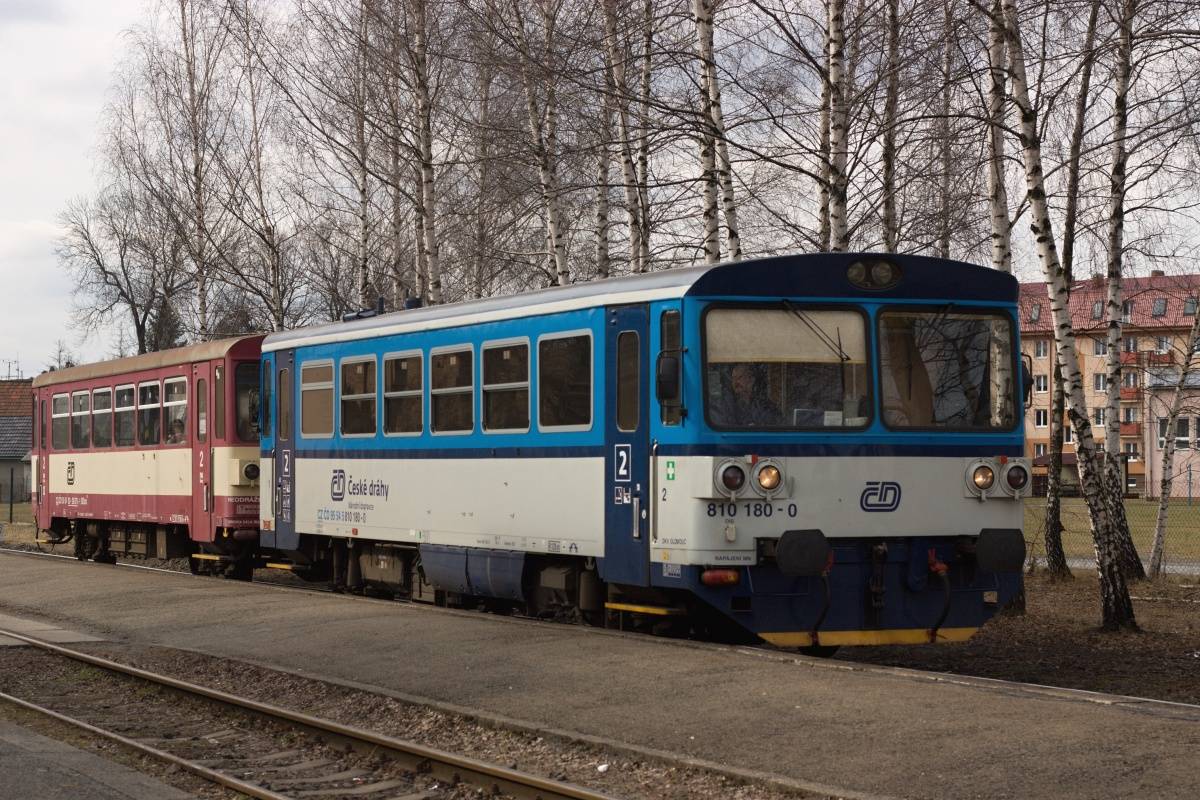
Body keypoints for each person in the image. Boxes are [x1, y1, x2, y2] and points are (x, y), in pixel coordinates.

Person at [710, 363, 780, 427]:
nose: (735, 382)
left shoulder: (763, 404)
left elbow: (776, 422)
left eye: (740, 377)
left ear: (751, 380)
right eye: (733, 378)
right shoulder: (726, 404)